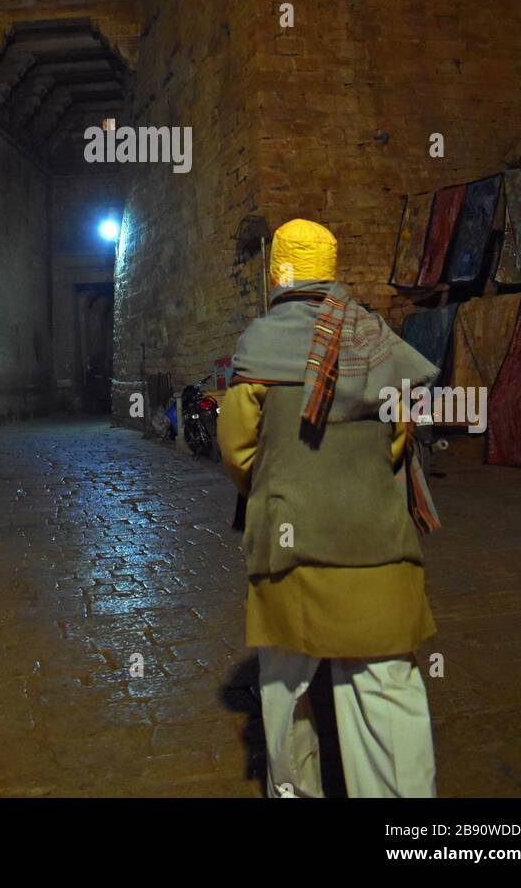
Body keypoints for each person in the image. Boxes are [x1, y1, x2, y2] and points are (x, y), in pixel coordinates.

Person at [217, 219, 440, 798]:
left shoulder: (259, 347)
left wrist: (282, 486)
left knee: (284, 689)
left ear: (278, 273)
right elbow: (397, 441)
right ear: (332, 270)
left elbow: (239, 452)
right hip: (378, 548)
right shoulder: (377, 341)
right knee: (388, 693)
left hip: (293, 552)